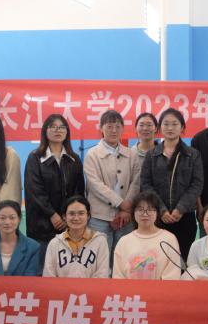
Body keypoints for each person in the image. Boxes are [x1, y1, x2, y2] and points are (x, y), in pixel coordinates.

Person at [140, 108, 203, 258]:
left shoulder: (193, 154)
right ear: (159, 127)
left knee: (183, 259)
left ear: (182, 128)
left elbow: (197, 184)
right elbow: (146, 184)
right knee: (158, 258)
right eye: (166, 124)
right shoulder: (151, 155)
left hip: (185, 216)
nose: (170, 128)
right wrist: (161, 209)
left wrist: (180, 209)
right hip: (158, 216)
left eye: (175, 124)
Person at [24, 114, 85, 264]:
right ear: (45, 131)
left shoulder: (74, 158)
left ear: (67, 132)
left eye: (62, 127)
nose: (58, 130)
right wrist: (52, 214)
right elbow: (34, 191)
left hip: (68, 224)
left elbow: (78, 191)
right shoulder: (35, 157)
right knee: (42, 269)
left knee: (67, 268)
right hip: (41, 226)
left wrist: (66, 216)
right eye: (53, 127)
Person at [84, 110, 142, 260]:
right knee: (98, 259)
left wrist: (127, 207)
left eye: (118, 126)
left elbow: (136, 182)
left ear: (123, 129)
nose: (114, 130)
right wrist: (121, 203)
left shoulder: (132, 154)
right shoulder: (92, 155)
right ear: (101, 128)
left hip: (126, 216)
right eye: (109, 126)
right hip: (99, 217)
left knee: (125, 258)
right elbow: (95, 185)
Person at [112, 192, 181, 280]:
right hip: (130, 289)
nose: (145, 214)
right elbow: (118, 277)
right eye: (140, 210)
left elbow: (172, 276)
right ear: (133, 213)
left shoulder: (169, 239)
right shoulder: (124, 242)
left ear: (157, 213)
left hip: (161, 289)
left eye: (150, 209)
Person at [44, 196, 110, 278]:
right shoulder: (54, 243)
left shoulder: (100, 241)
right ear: (64, 216)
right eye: (71, 214)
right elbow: (48, 276)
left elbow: (102, 275)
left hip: (91, 287)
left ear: (88, 216)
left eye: (81, 213)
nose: (76, 218)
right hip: (60, 287)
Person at [0, 200, 41, 276]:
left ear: (19, 219)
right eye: (2, 218)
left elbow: (30, 278)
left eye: (12, 218)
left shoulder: (33, 247)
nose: (7, 222)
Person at [131, 112, 159, 180]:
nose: (145, 128)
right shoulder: (130, 154)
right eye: (141, 125)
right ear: (136, 128)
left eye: (149, 125)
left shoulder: (163, 153)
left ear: (156, 128)